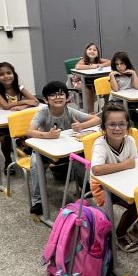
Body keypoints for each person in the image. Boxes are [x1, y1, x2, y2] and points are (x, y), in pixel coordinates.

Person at [25, 82, 100, 217]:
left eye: (61, 94)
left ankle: (85, 186)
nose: (58, 97)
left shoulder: (69, 111)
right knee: (35, 164)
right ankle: (38, 200)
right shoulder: (43, 112)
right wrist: (47, 135)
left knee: (80, 157)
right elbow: (29, 132)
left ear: (67, 97)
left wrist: (81, 126)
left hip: (65, 150)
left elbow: (96, 119)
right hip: (45, 151)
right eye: (53, 95)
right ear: (46, 100)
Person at [90, 102, 138, 253]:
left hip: (124, 183)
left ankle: (137, 228)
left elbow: (134, 166)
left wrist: (126, 166)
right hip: (102, 187)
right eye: (112, 124)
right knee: (136, 205)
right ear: (104, 127)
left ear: (127, 125)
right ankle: (119, 235)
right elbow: (97, 170)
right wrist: (124, 165)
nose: (117, 128)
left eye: (121, 124)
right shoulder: (100, 144)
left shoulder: (130, 140)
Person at [108, 51, 138, 129]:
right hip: (115, 102)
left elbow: (137, 87)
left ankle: (134, 131)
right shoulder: (114, 75)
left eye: (122, 64)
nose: (119, 66)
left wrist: (134, 73)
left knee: (137, 120)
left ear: (126, 64)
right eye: (117, 64)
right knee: (127, 118)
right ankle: (127, 130)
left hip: (128, 100)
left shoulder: (130, 74)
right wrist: (111, 75)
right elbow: (115, 89)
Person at [76, 42, 111, 113]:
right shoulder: (83, 60)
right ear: (86, 52)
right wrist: (91, 66)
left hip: (93, 82)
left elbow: (110, 62)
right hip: (81, 82)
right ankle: (91, 112)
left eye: (94, 50)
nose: (92, 51)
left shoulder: (98, 60)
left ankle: (106, 105)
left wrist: (101, 65)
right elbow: (77, 67)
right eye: (90, 49)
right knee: (89, 89)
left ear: (97, 54)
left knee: (107, 83)